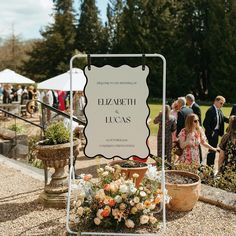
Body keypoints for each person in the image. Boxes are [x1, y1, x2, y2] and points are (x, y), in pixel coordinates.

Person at [203, 95, 229, 166]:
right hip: (212, 133)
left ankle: (210, 167)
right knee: (212, 151)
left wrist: (232, 120)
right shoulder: (210, 110)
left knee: (213, 150)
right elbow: (205, 123)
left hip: (217, 133)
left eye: (223, 104)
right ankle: (209, 168)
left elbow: (223, 118)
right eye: (221, 103)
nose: (222, 105)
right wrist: (211, 133)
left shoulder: (219, 110)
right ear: (216, 101)